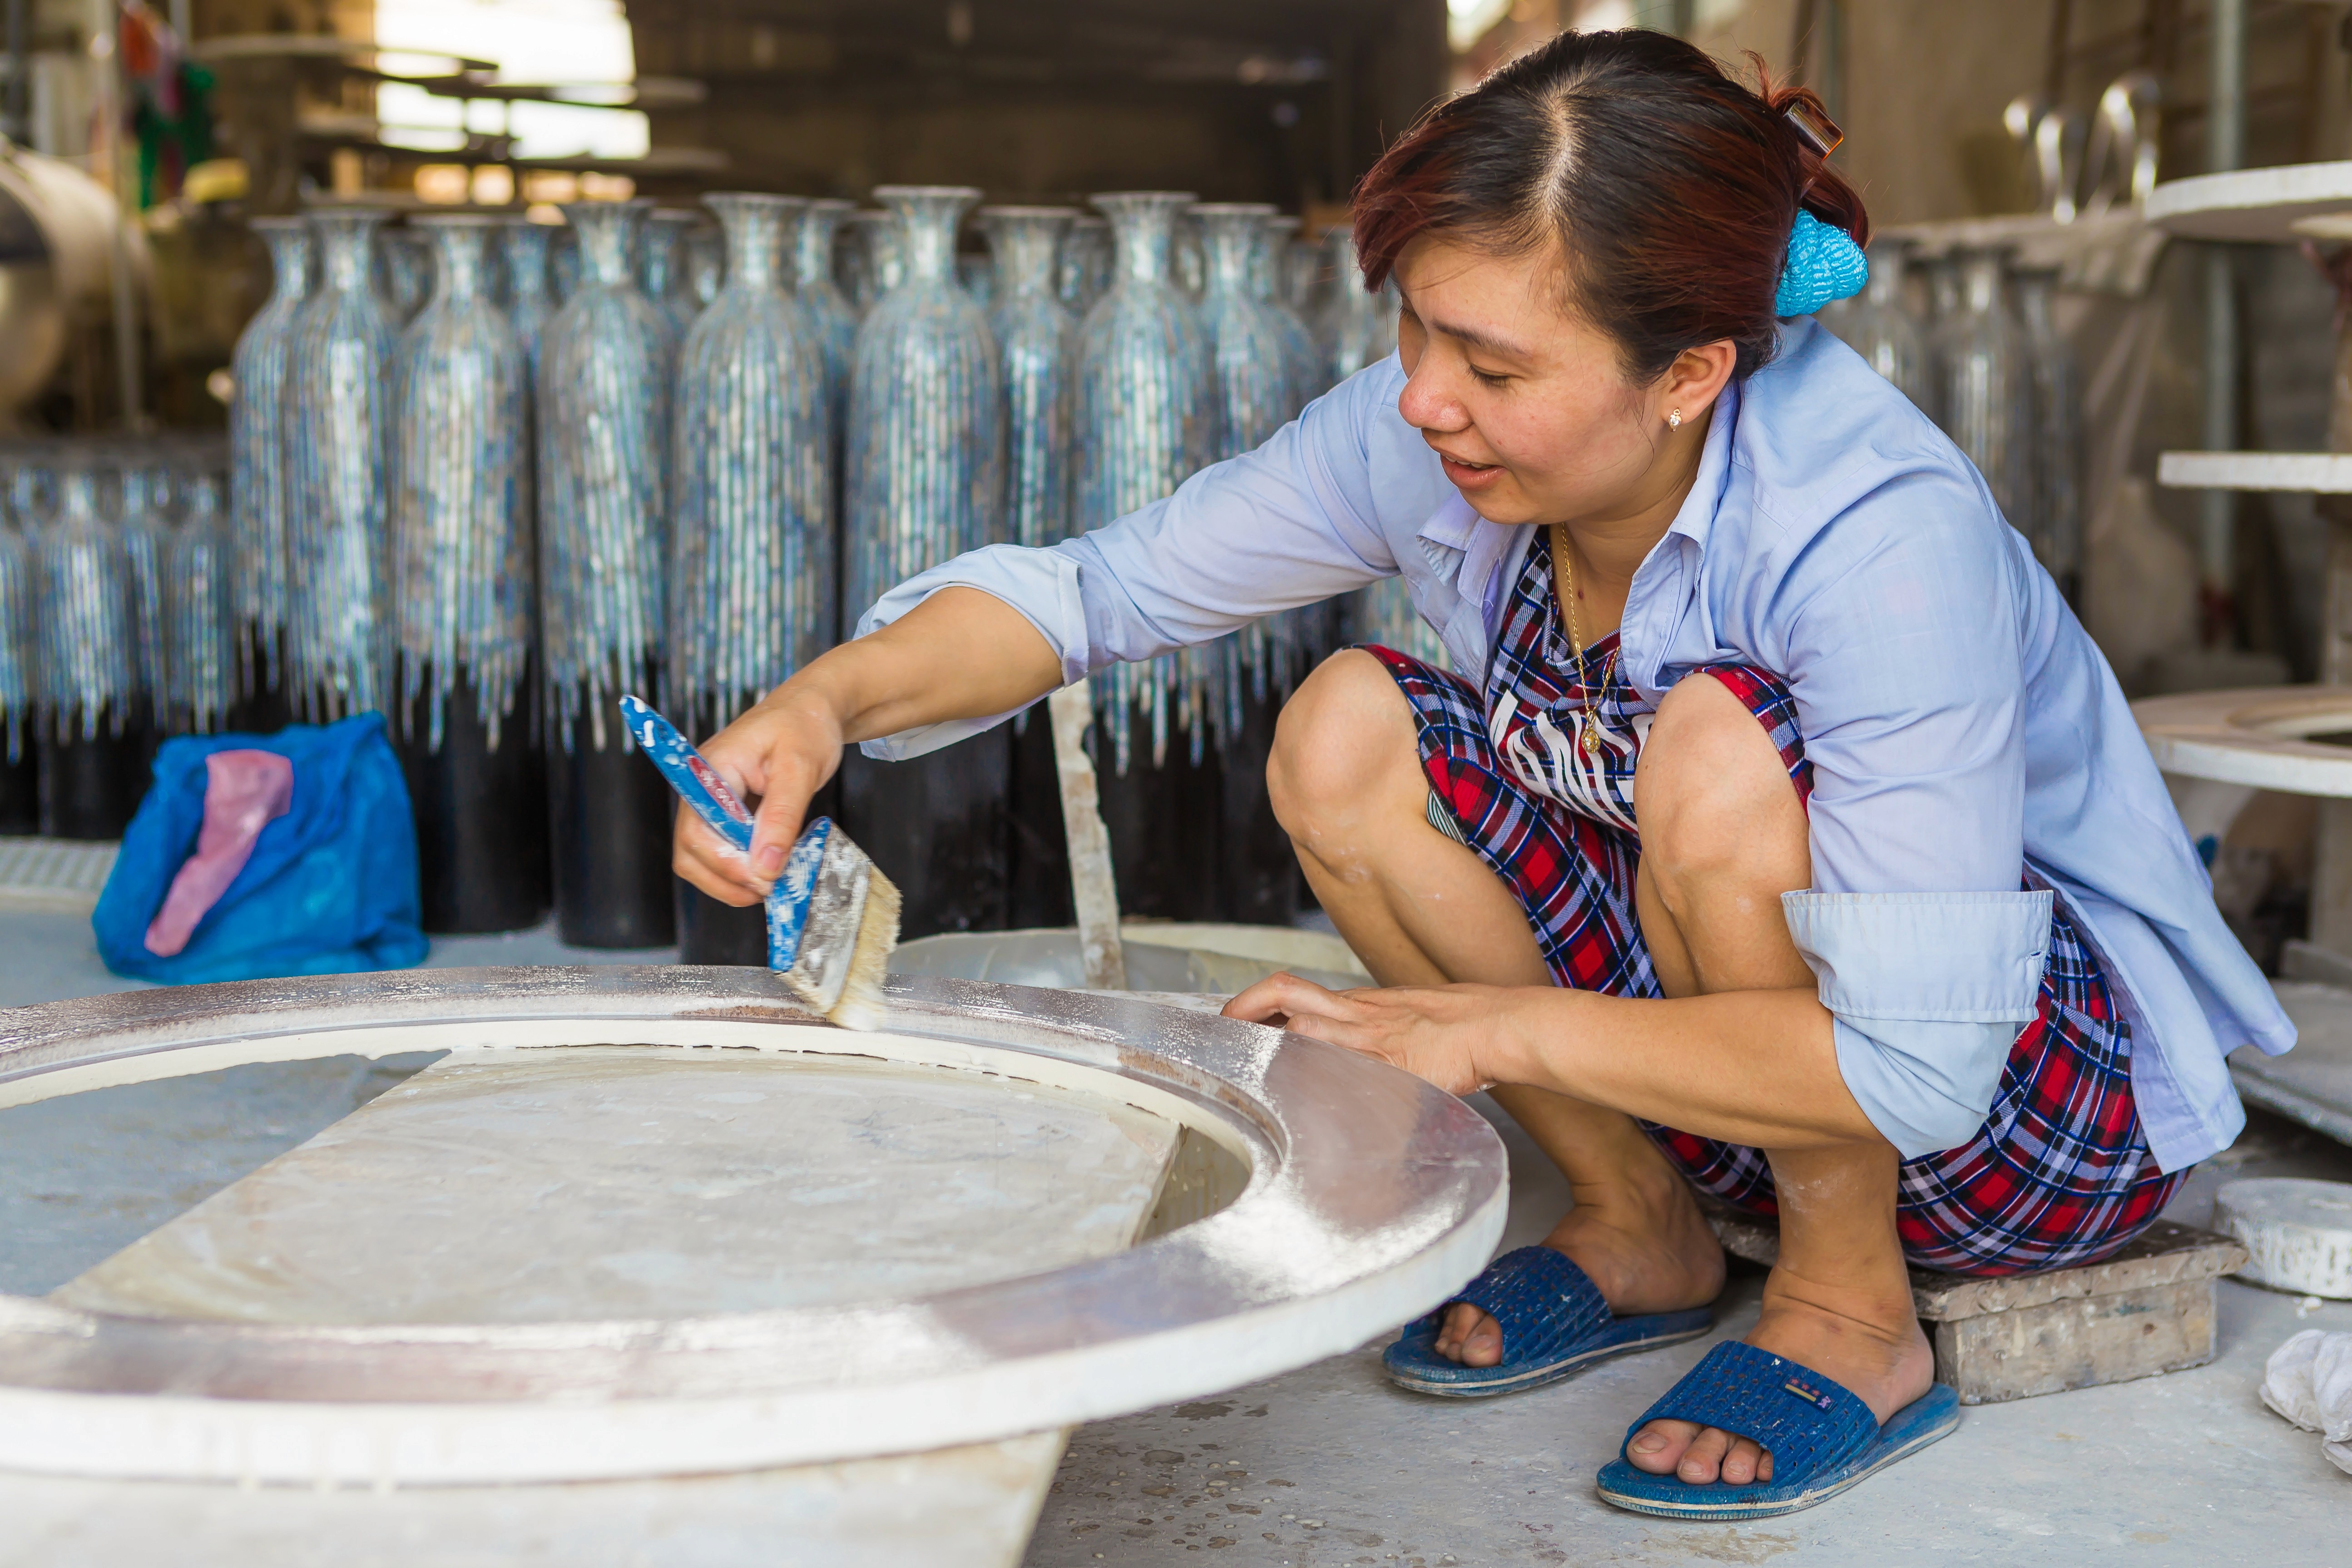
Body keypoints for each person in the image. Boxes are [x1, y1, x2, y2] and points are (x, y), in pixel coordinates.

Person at [673, 30, 2291, 1520]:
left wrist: (1483, 1028)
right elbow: (1100, 594)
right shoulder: (1425, 431)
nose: (1428, 398)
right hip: (1727, 1057)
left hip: (2013, 1111)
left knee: (1716, 741)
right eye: (1414, 329)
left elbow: (1921, 1069)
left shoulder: (1875, 535)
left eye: (1496, 369)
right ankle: (1639, 1221)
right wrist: (822, 707)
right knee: (1348, 723)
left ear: (1688, 375)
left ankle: (1848, 1310)